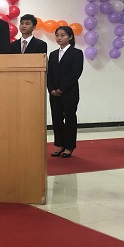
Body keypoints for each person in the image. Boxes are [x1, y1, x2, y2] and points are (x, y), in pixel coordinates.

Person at [47, 26, 83, 158]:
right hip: (54, 93)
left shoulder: (76, 53)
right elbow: (49, 74)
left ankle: (69, 146)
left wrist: (62, 89)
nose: (59, 38)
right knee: (56, 119)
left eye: (63, 35)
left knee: (69, 118)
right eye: (57, 35)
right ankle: (60, 144)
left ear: (70, 37)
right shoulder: (53, 54)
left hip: (69, 92)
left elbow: (75, 74)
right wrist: (51, 89)